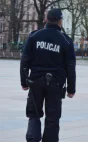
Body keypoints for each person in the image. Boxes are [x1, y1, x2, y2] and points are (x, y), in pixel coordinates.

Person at [20, 8, 76, 142]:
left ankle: (33, 139)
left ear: (46, 19)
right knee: (53, 117)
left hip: (35, 82)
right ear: (60, 21)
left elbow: (25, 60)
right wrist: (71, 88)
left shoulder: (34, 36)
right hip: (56, 84)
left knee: (34, 113)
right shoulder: (66, 41)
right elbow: (70, 67)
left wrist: (24, 81)